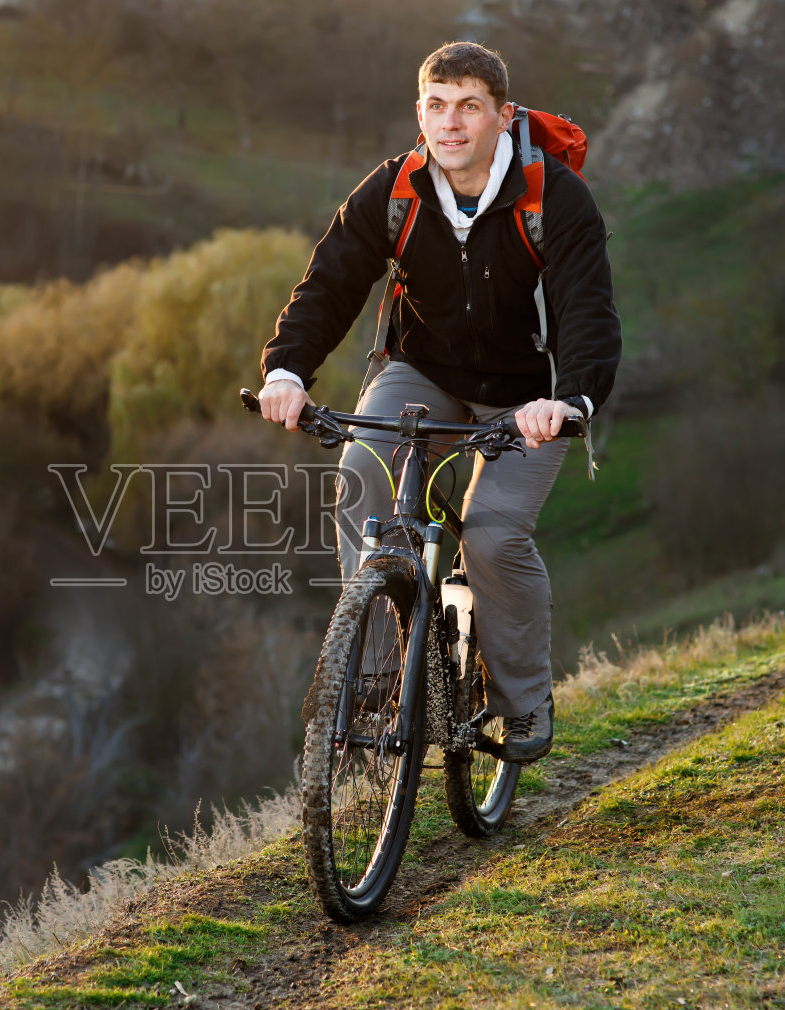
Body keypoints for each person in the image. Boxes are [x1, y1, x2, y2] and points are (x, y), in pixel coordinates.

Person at [256, 40, 621, 764]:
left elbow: (587, 310)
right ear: (418, 112)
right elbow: (329, 283)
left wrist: (570, 400)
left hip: (527, 397)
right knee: (361, 472)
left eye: (469, 106)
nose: (450, 123)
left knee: (490, 534)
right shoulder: (394, 192)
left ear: (501, 116)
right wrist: (287, 371)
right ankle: (376, 682)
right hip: (423, 373)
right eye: (436, 105)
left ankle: (521, 704)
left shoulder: (554, 198)